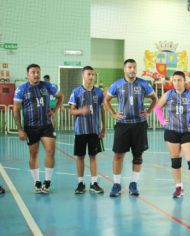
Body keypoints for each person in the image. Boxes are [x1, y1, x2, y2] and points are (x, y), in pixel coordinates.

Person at [105, 59, 158, 197]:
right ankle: (116, 184)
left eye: (134, 67)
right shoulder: (117, 84)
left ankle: (133, 183)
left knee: (138, 155)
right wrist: (113, 114)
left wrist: (148, 112)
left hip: (139, 125)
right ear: (125, 69)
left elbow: (155, 98)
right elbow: (106, 100)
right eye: (129, 67)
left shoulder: (143, 84)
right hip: (122, 125)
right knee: (118, 155)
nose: (132, 70)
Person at [154, 71, 190, 200]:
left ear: (184, 81)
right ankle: (178, 187)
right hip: (171, 131)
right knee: (175, 161)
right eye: (174, 80)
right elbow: (157, 108)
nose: (177, 83)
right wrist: (162, 121)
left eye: (180, 80)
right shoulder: (168, 94)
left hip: (187, 132)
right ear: (171, 81)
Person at [13, 64, 64, 194]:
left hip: (46, 125)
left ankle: (47, 182)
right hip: (31, 127)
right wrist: (20, 129)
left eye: (38, 72)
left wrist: (54, 110)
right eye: (33, 72)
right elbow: (16, 110)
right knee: (33, 154)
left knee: (50, 151)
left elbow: (61, 96)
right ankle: (37, 181)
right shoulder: (21, 89)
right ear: (28, 74)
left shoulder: (47, 86)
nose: (36, 74)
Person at [68, 66, 106, 194]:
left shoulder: (99, 92)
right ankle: (80, 183)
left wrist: (104, 128)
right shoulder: (76, 91)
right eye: (88, 74)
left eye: (92, 74)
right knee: (80, 157)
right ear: (83, 75)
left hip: (94, 130)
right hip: (80, 131)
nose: (91, 77)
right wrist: (81, 111)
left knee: (93, 156)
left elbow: (102, 110)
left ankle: (94, 183)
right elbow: (72, 110)